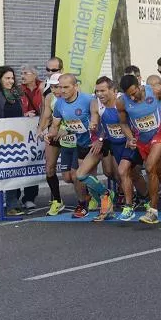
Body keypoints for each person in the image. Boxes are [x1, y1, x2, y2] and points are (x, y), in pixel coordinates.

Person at [46, 74, 112, 221]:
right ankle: (90, 202)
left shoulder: (88, 100)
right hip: (81, 143)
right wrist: (50, 135)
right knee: (81, 177)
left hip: (97, 142)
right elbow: (55, 126)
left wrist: (100, 138)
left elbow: (101, 119)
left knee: (81, 174)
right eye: (60, 87)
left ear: (76, 86)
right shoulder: (59, 104)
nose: (62, 91)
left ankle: (103, 196)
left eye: (66, 87)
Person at [117, 75, 161, 223]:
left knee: (149, 166)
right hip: (142, 140)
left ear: (139, 84)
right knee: (160, 172)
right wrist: (129, 137)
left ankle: (152, 210)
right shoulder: (121, 102)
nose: (132, 98)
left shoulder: (155, 91)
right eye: (129, 95)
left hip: (160, 134)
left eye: (134, 93)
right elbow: (123, 123)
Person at [95, 77, 148, 222]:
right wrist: (100, 138)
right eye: (97, 91)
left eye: (103, 91)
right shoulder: (96, 104)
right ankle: (145, 197)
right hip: (115, 144)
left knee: (123, 171)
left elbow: (131, 120)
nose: (99, 94)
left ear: (114, 91)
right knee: (132, 174)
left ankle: (128, 207)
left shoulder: (122, 102)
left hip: (129, 142)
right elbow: (100, 126)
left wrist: (131, 138)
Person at [0, 55, 25, 217]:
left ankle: (12, 205)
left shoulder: (16, 95)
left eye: (12, 78)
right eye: (7, 78)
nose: (10, 81)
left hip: (13, 139)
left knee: (12, 172)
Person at [18, 63, 42, 211]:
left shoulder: (44, 87)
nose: (22, 76)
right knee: (22, 163)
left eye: (25, 73)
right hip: (23, 132)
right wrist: (24, 114)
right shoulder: (19, 90)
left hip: (40, 131)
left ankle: (30, 197)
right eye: (21, 73)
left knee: (35, 163)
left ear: (34, 75)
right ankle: (15, 198)